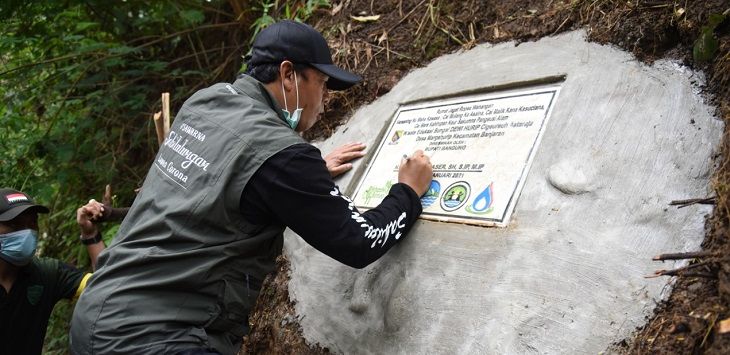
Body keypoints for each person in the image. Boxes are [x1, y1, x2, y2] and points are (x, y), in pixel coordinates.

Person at [70, 20, 432, 355]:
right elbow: (360, 241)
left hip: (97, 314)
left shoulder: (205, 102)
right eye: (322, 84)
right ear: (289, 75)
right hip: (155, 338)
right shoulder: (282, 157)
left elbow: (218, 174)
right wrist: (407, 192)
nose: (325, 101)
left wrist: (306, 176)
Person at [0, 189, 106, 354]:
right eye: (15, 224)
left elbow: (106, 288)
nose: (27, 232)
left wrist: (91, 234)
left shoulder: (46, 273)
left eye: (33, 223)